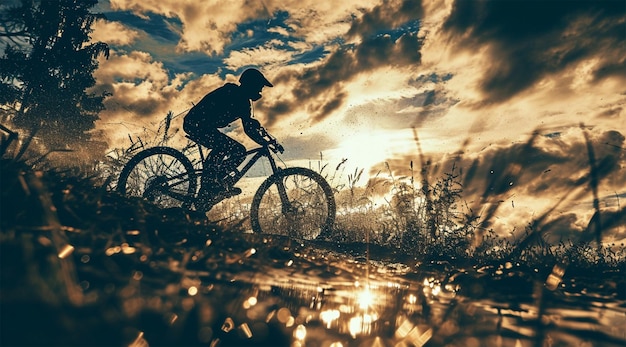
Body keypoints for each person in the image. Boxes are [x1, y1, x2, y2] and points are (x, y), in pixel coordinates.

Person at [183, 68, 273, 210]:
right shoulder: (232, 93)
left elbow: (248, 127)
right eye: (259, 86)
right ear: (250, 84)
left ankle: (209, 189)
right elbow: (248, 127)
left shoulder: (243, 101)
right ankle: (211, 181)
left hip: (202, 125)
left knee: (235, 150)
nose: (261, 90)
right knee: (229, 148)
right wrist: (263, 141)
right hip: (195, 123)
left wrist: (265, 141)